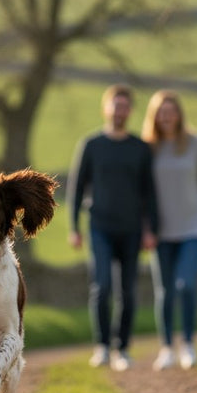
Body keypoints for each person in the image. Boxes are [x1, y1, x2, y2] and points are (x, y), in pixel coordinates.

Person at [67, 84, 159, 372]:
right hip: (100, 226)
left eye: (124, 106)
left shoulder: (140, 148)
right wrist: (74, 227)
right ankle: (103, 347)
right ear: (106, 109)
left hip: (132, 228)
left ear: (130, 111)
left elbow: (149, 192)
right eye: (115, 105)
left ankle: (123, 348)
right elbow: (77, 188)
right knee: (102, 286)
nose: (119, 111)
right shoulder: (92, 145)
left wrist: (149, 229)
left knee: (128, 291)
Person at [141, 90, 197, 370]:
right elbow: (142, 194)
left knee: (185, 284)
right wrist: (145, 229)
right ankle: (166, 348)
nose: (167, 116)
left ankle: (188, 344)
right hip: (160, 232)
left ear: (179, 114)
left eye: (171, 111)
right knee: (164, 292)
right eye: (162, 112)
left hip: (194, 229)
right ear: (154, 115)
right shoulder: (147, 148)